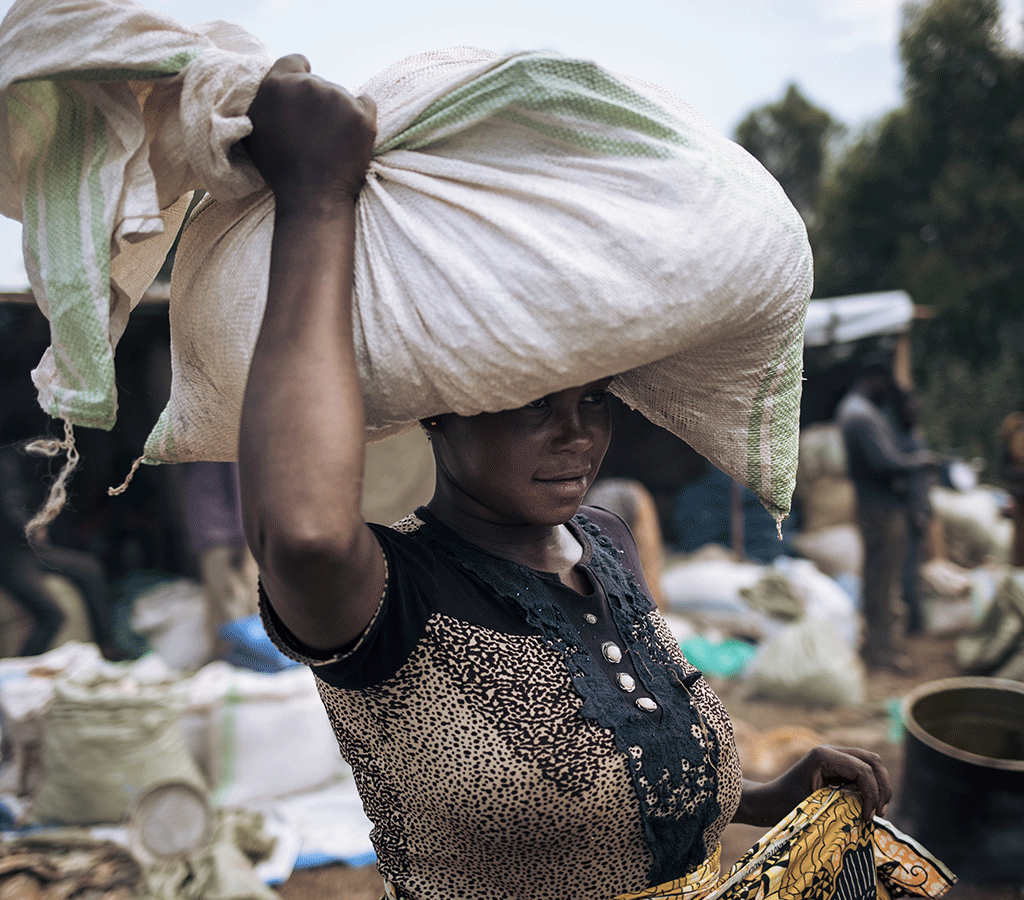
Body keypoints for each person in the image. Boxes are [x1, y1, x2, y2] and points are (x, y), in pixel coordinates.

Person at [237, 58, 954, 900]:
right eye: (537, 404)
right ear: (446, 406)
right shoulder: (388, 596)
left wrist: (765, 796)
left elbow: (625, 792)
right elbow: (304, 533)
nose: (579, 433)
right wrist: (315, 196)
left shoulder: (605, 544)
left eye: (596, 399)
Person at [836, 357, 939, 671]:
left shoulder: (854, 411)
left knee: (877, 578)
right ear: (876, 381)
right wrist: (921, 461)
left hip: (873, 507)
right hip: (881, 509)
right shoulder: (861, 416)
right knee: (883, 580)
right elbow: (884, 463)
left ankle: (877, 646)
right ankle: (883, 653)